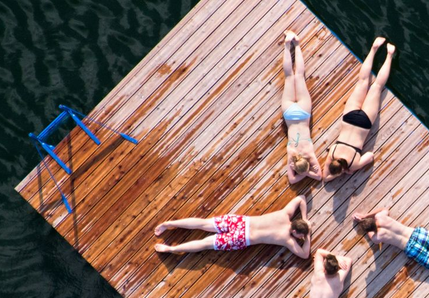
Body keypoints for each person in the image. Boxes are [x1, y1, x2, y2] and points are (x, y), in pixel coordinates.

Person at [324, 37, 395, 179]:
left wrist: (347, 170)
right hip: (349, 117)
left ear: (342, 170)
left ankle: (389, 54)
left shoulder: (353, 164)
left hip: (364, 123)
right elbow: (325, 175)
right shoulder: (332, 152)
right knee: (362, 81)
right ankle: (374, 48)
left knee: (377, 87)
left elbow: (369, 156)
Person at [153, 196, 311, 259]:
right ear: (295, 231)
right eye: (300, 236)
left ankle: (169, 224)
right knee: (205, 244)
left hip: (241, 222)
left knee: (203, 223)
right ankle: (172, 250)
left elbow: (301, 198)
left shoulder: (285, 214)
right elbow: (304, 255)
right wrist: (308, 237)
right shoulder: (287, 239)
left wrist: (305, 219)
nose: (300, 238)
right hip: (242, 238)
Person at [280, 31, 323, 184]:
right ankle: (287, 45)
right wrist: (303, 172)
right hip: (289, 114)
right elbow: (292, 179)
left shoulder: (309, 153)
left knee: (298, 75)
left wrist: (307, 171)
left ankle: (296, 44)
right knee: (289, 77)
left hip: (304, 113)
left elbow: (318, 175)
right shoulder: (291, 154)